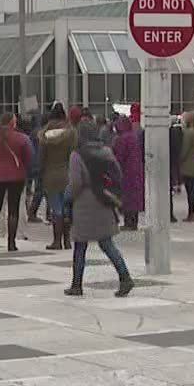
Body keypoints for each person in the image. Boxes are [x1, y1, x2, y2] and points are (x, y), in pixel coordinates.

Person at [63, 123, 135, 297]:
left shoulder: (77, 155)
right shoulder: (107, 151)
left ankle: (76, 284)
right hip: (104, 199)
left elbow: (75, 183)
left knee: (80, 245)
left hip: (84, 203)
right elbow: (117, 174)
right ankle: (125, 277)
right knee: (107, 243)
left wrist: (68, 198)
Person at [0, 111, 30, 251]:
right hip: (16, 176)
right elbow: (28, 158)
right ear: (12, 122)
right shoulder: (21, 138)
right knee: (13, 209)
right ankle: (11, 243)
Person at [35, 104, 78, 248]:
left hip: (50, 175)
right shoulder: (71, 133)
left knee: (56, 208)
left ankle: (57, 240)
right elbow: (74, 154)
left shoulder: (45, 135)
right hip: (67, 173)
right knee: (67, 208)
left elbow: (41, 158)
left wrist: (39, 174)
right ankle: (67, 240)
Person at [112, 112, 144, 230]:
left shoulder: (123, 139)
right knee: (134, 197)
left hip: (126, 171)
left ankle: (128, 222)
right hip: (136, 170)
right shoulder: (133, 136)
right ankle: (134, 221)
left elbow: (119, 157)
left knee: (127, 197)